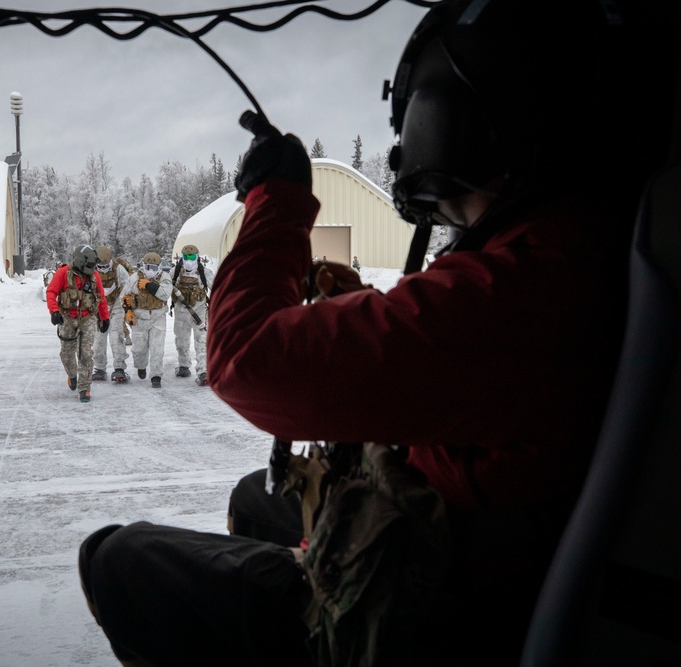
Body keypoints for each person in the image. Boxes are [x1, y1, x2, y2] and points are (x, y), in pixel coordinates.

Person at [79, 0, 641, 664]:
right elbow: (441, 355)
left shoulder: (525, 287)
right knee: (252, 502)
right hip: (454, 540)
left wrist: (277, 204)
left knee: (117, 557)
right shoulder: (576, 251)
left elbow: (245, 358)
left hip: (433, 606)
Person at [46, 245, 110, 403]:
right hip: (67, 318)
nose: (92, 269)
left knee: (85, 354)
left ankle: (84, 387)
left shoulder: (94, 275)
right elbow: (51, 292)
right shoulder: (63, 273)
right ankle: (72, 374)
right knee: (67, 354)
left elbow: (100, 296)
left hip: (87, 318)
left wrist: (104, 317)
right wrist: (54, 311)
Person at [122, 251, 173, 388]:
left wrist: (149, 285)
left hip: (158, 317)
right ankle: (141, 366)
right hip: (140, 318)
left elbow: (165, 294)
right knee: (139, 349)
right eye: (148, 267)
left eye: (154, 268)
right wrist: (128, 311)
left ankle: (156, 376)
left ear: (159, 267)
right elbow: (125, 295)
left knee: (157, 349)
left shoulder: (164, 277)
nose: (150, 271)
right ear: (143, 265)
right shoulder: (134, 278)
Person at [170, 243, 215, 386]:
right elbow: (164, 287)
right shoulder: (174, 272)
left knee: (201, 342)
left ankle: (203, 371)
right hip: (180, 312)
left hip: (199, 312)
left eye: (191, 256)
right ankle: (183, 366)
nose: (188, 259)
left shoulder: (205, 272)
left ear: (197, 257)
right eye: (185, 256)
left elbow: (217, 288)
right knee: (181, 341)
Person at [90, 246, 134, 383]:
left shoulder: (118, 269)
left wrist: (122, 304)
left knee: (116, 336)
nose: (103, 269)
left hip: (116, 305)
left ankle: (119, 367)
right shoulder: (91, 270)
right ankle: (99, 367)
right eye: (100, 266)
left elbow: (128, 286)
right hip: (98, 307)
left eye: (105, 266)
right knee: (98, 339)